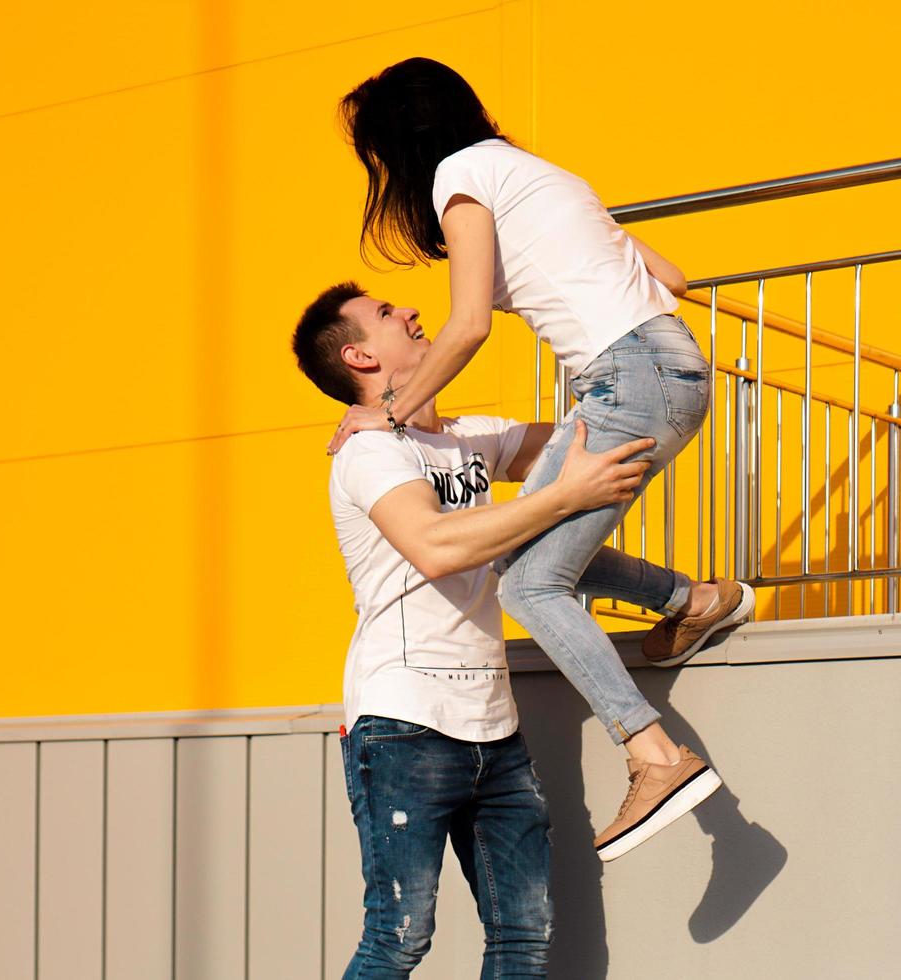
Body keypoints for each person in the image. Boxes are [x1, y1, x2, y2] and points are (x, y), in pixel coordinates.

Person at [328, 57, 754, 861]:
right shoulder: (541, 176)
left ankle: (653, 755)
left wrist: (382, 414)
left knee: (527, 579)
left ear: (404, 141)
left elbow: (468, 326)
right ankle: (694, 599)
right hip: (671, 366)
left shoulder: (461, 175)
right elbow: (674, 276)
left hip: (625, 372)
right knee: (532, 549)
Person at [300, 281, 725, 975]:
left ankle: (684, 596)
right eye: (385, 314)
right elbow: (436, 545)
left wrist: (634, 358)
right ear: (359, 357)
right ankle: (678, 595)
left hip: (494, 729)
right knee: (398, 938)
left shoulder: (471, 437)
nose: (410, 310)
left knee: (524, 938)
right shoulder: (370, 455)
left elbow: (596, 441)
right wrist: (562, 494)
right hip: (404, 723)